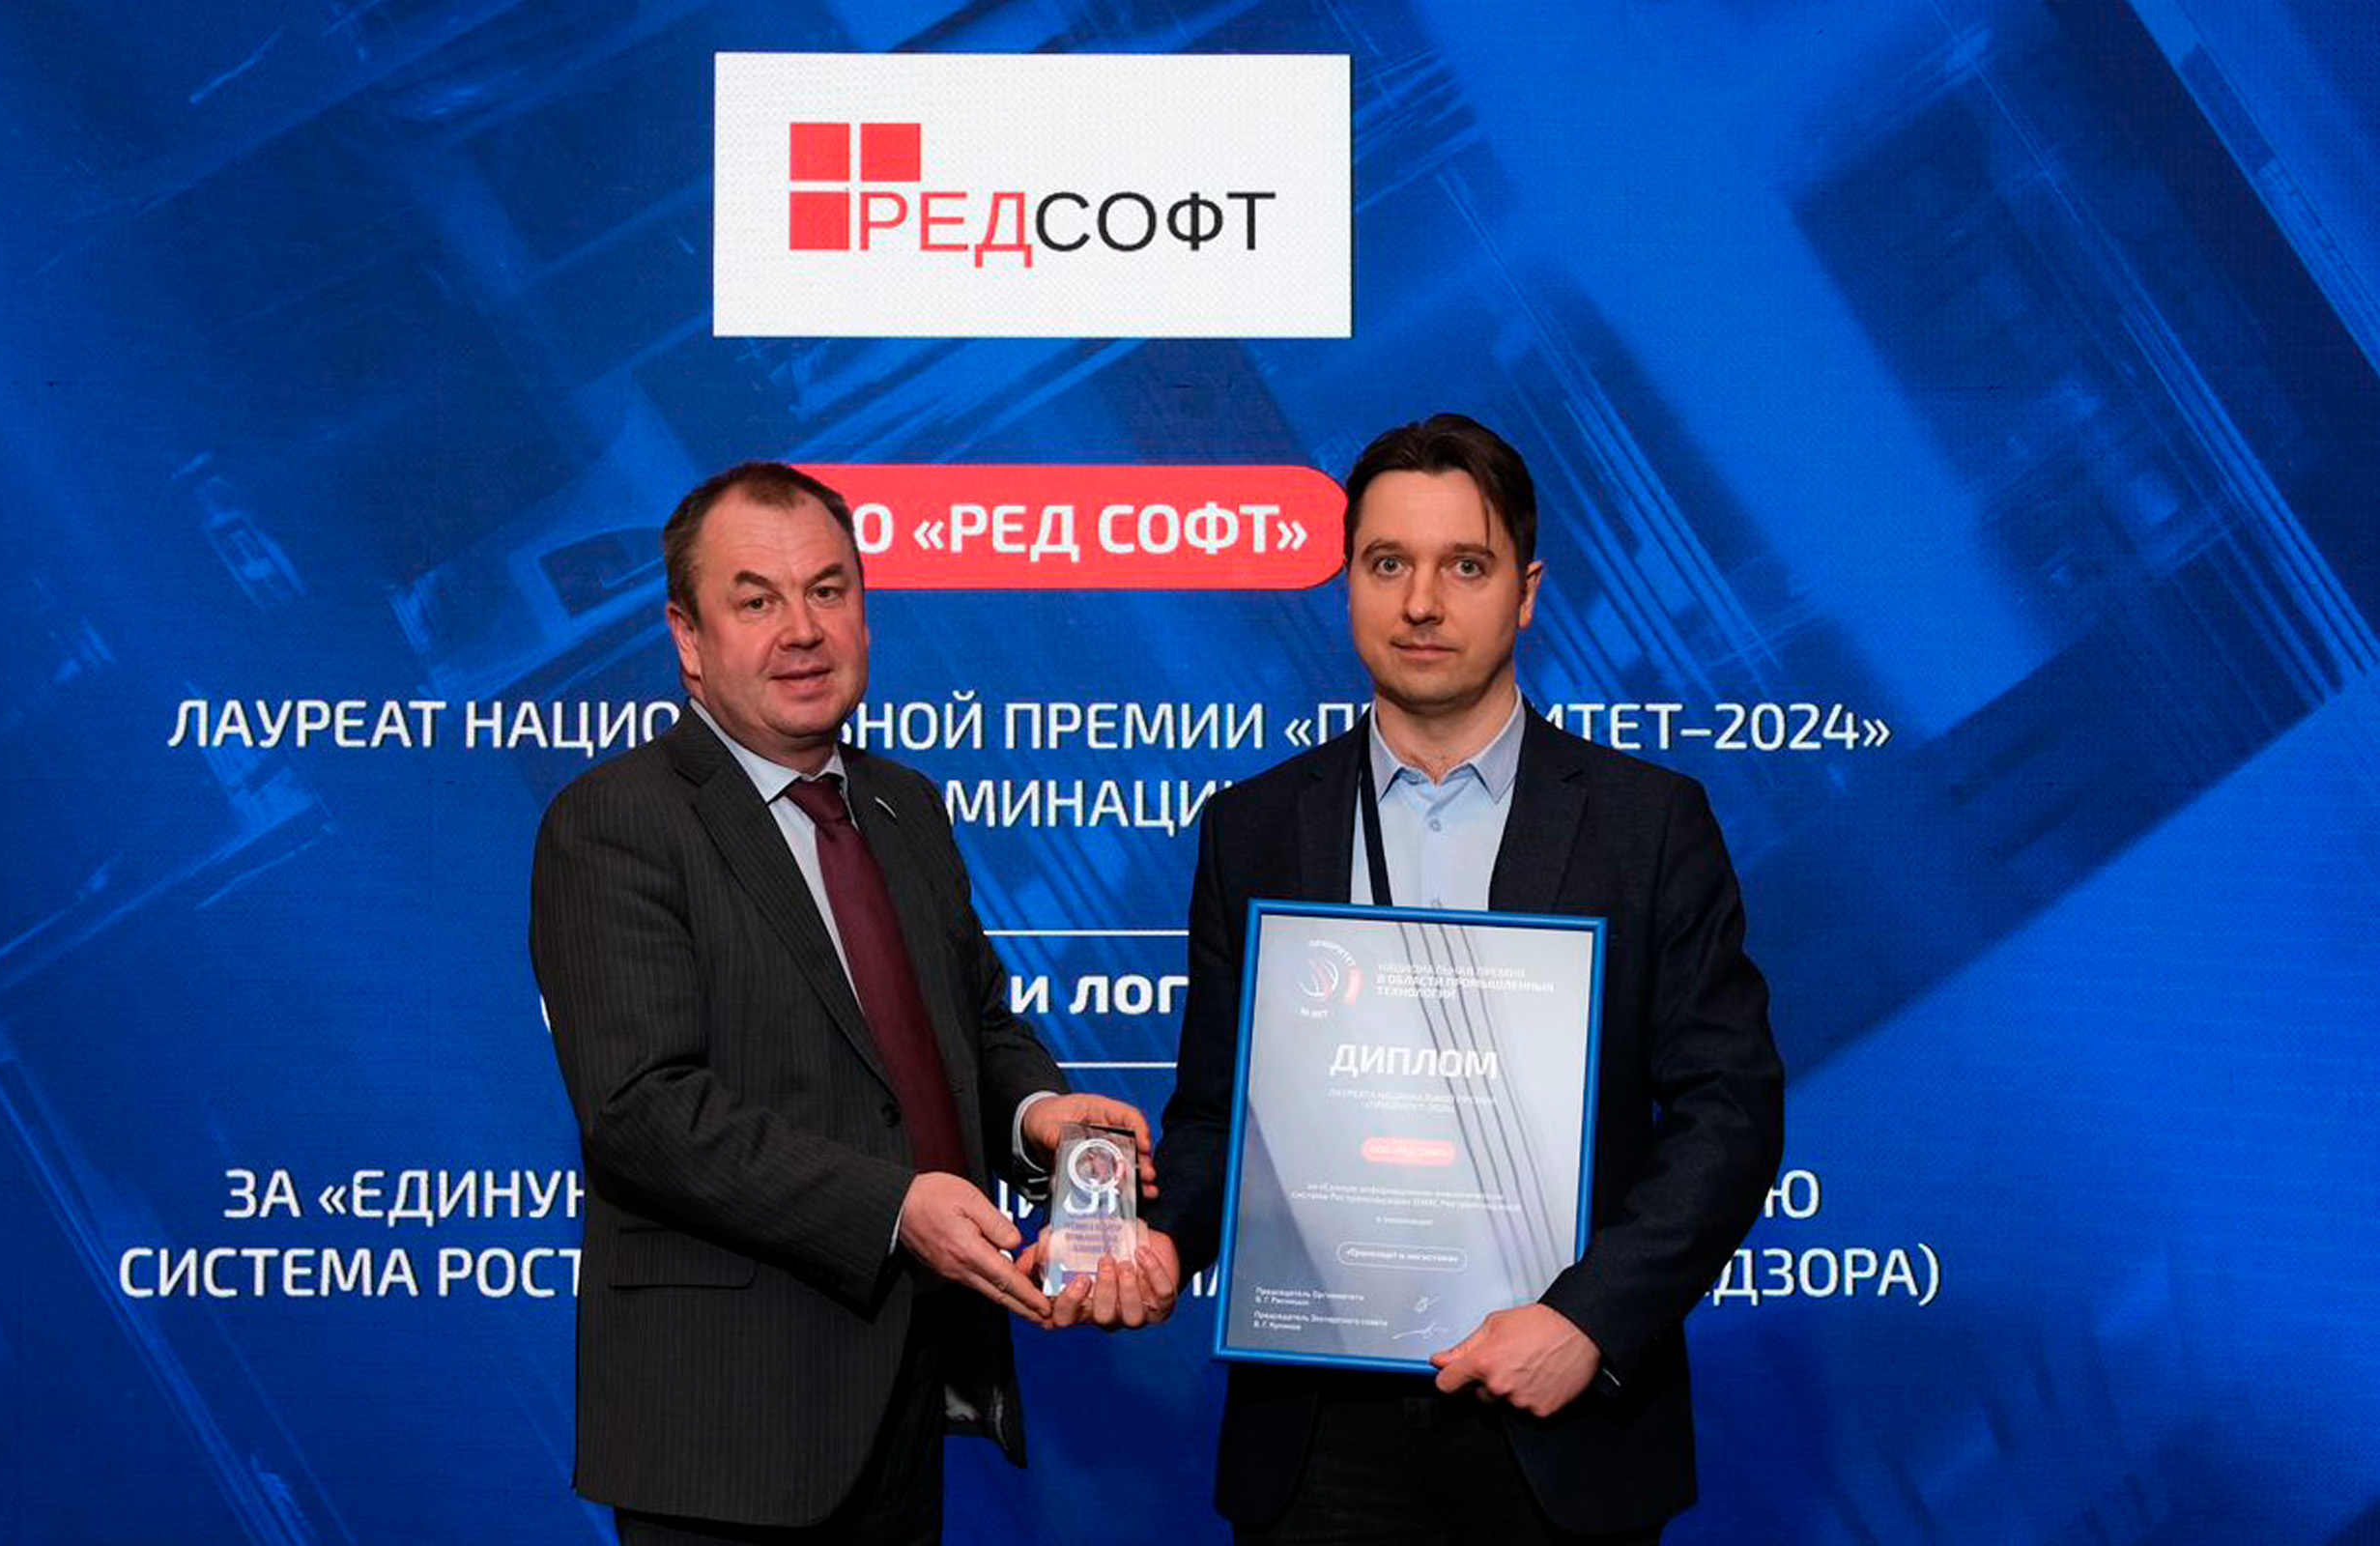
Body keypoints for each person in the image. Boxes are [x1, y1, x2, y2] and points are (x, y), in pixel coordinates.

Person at [1066, 415, 1783, 1543]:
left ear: (1526, 592)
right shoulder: (1255, 829)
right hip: (1317, 1437)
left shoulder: (1645, 825)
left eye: (1465, 566)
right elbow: (1214, 1116)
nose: (1420, 603)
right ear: (1345, 581)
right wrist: (1165, 1239)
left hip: (1555, 1422)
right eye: (1386, 563)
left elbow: (1726, 1111)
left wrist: (1586, 1323)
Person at [530, 461, 1155, 1545]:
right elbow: (643, 1112)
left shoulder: (903, 806)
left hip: (907, 1397)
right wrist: (896, 1207)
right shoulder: (615, 823)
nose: (802, 630)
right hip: (730, 1431)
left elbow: (975, 1024)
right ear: (687, 638)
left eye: (827, 590)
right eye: (756, 601)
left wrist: (1036, 1116)